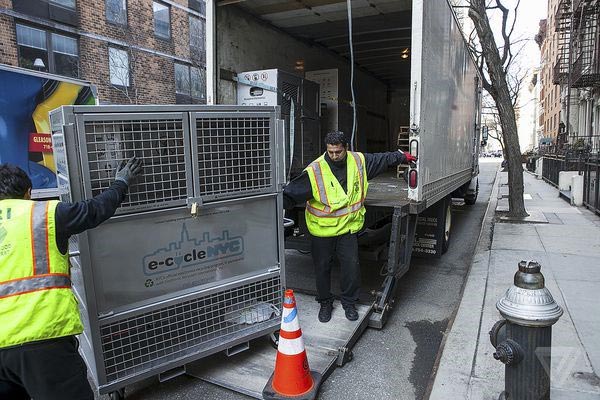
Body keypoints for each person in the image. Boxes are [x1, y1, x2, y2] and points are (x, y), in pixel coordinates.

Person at [0, 157, 143, 400]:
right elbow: (94, 210)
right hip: (41, 338)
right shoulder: (43, 214)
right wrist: (121, 183)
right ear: (28, 191)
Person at [283, 131, 417, 322]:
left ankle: (349, 303)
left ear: (346, 148)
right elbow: (290, 194)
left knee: (351, 268)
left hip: (347, 229)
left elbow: (382, 159)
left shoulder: (358, 161)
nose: (334, 156)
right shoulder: (315, 171)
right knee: (322, 268)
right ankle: (325, 303)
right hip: (322, 230)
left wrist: (401, 156)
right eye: (330, 152)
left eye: (338, 151)